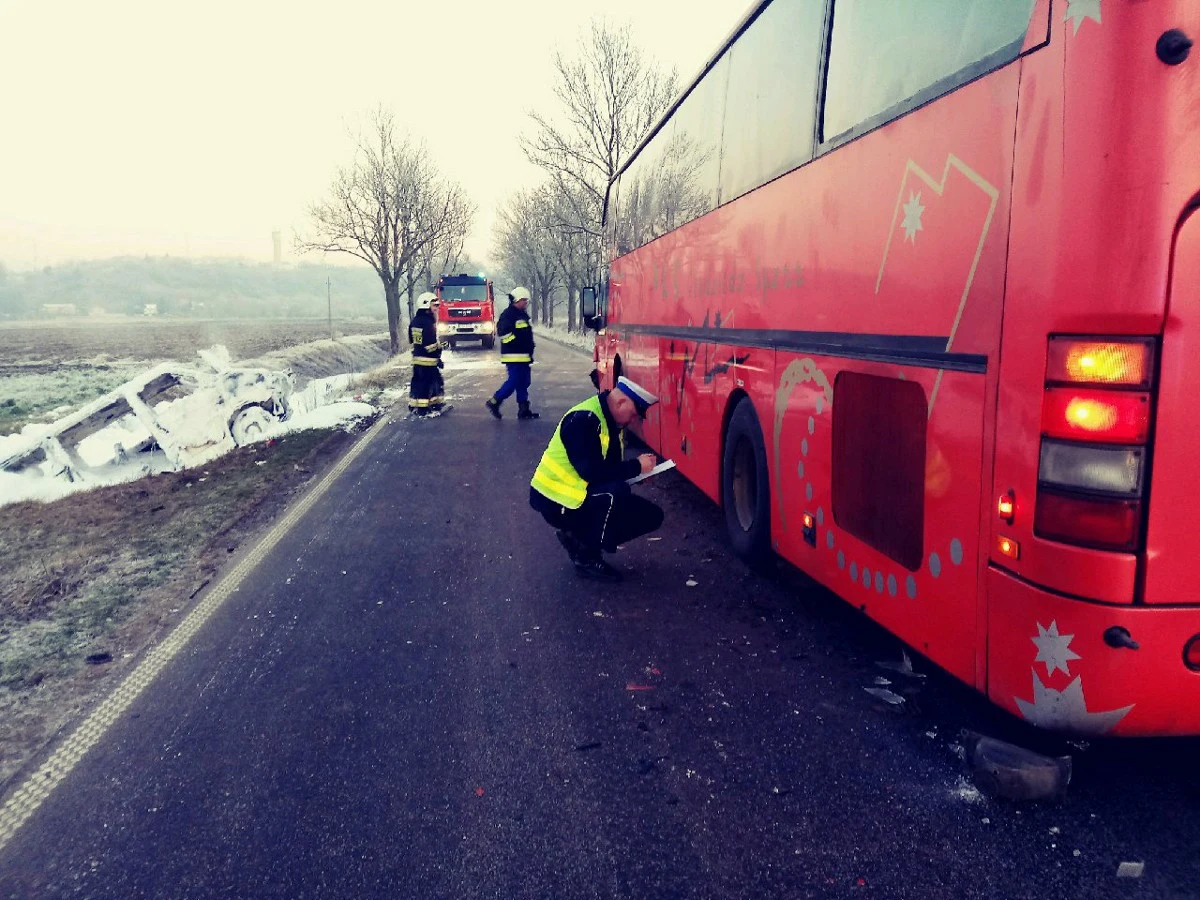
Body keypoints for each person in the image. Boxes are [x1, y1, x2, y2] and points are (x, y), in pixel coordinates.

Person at [529, 376, 665, 581]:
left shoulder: (610, 422)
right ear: (621, 403)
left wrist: (640, 475)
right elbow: (593, 473)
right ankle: (586, 557)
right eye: (634, 414)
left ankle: (577, 538)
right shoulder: (583, 420)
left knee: (652, 515)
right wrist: (636, 466)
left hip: (578, 496)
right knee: (616, 494)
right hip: (556, 502)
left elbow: (611, 469)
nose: (633, 421)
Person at [485, 286, 539, 420]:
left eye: (526, 300)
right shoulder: (508, 315)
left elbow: (526, 334)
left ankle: (524, 409)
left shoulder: (522, 315)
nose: (526, 303)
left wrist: (528, 347)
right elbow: (503, 333)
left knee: (524, 382)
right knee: (514, 381)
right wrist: (518, 343)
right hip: (513, 355)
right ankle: (494, 401)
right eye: (524, 300)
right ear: (517, 300)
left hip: (524, 356)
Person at [409, 292, 446, 417]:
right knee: (430, 383)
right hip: (428, 360)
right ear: (426, 305)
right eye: (434, 305)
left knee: (419, 382)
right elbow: (429, 345)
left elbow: (413, 340)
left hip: (417, 358)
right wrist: (441, 346)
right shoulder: (428, 322)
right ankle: (424, 409)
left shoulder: (415, 321)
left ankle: (416, 405)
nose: (437, 307)